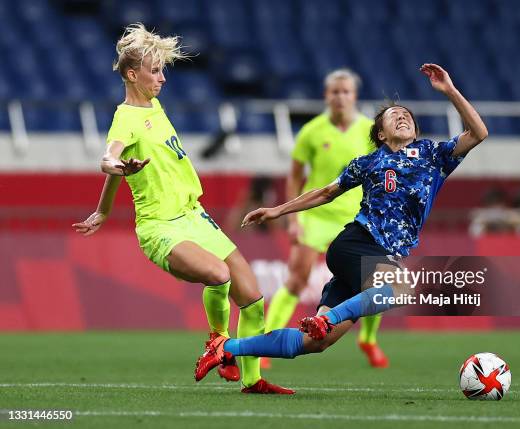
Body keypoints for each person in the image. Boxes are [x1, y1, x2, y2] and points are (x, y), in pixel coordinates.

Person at [193, 64, 488, 379]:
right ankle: (326, 320)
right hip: (355, 244)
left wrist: (450, 91)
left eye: (408, 116)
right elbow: (325, 193)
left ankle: (226, 349)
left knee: (314, 343)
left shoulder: (433, 155)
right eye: (394, 115)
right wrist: (279, 210)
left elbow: (479, 133)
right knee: (399, 287)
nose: (403, 116)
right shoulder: (368, 162)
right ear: (380, 133)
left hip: (374, 257)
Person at [72, 23, 293, 394]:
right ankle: (218, 342)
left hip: (196, 216)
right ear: (132, 74)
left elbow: (119, 167)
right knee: (219, 275)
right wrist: (116, 167)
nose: (162, 78)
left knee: (253, 301)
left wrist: (104, 209)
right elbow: (108, 159)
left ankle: (253, 381)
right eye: (154, 71)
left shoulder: (154, 107)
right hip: (161, 226)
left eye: (162, 70)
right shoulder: (125, 118)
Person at [263, 68, 388, 369]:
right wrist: (293, 219)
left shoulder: (368, 132)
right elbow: (295, 178)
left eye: (346, 92)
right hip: (316, 215)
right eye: (335, 92)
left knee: (379, 279)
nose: (341, 97)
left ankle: (368, 340)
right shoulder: (312, 131)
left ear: (354, 96)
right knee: (297, 276)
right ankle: (267, 341)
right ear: (326, 96)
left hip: (356, 217)